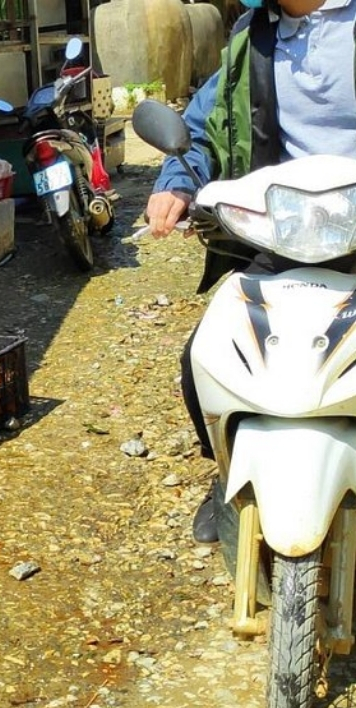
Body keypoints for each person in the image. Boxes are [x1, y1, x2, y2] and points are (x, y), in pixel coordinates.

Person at [145, 0, 354, 542]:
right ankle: (228, 478)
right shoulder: (250, 38)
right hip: (288, 231)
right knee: (205, 360)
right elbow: (201, 125)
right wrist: (175, 182)